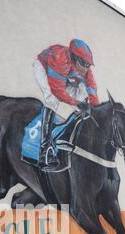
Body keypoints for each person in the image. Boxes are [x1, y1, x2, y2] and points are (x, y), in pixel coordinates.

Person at [33, 38, 100, 169]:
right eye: (84, 64)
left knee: (83, 92)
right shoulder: (60, 58)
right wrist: (78, 103)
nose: (86, 69)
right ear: (74, 58)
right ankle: (44, 149)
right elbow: (57, 90)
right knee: (52, 99)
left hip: (63, 77)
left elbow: (92, 90)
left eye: (88, 65)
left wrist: (96, 110)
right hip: (44, 69)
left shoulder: (85, 70)